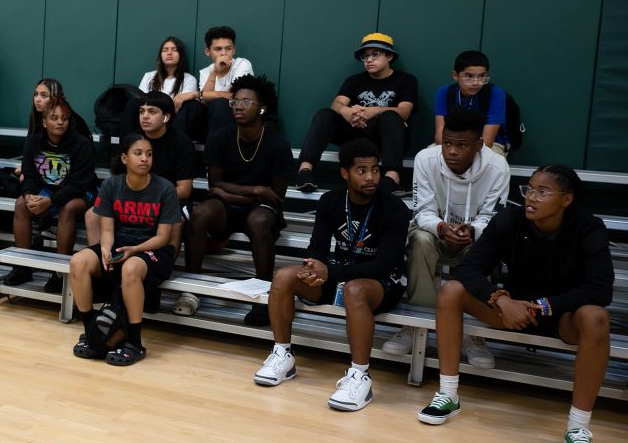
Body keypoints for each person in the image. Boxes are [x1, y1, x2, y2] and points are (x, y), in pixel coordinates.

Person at [417, 166, 612, 443]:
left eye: (543, 192)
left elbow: (600, 289)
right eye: (529, 189)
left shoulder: (589, 228)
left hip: (562, 315)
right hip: (513, 310)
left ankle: (578, 427)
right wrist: (500, 297)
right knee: (451, 291)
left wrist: (545, 305)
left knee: (596, 317)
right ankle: (448, 394)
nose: (531, 198)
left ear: (567, 199)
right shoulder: (510, 219)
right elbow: (469, 269)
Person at [254, 139, 411, 411]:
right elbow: (317, 247)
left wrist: (332, 272)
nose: (371, 176)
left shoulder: (395, 209)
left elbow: (384, 265)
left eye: (375, 169)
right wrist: (311, 269)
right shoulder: (331, 201)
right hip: (336, 276)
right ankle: (283, 354)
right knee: (283, 276)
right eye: (362, 170)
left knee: (355, 290)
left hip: (381, 284)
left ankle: (360, 375)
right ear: (344, 173)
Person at [382, 108, 509, 364]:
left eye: (461, 145)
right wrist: (441, 228)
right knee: (420, 241)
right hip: (435, 231)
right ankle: (416, 325)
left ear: (479, 144)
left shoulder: (498, 167)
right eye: (447, 143)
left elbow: (493, 218)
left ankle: (473, 334)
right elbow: (423, 211)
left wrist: (473, 230)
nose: (451, 151)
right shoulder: (425, 159)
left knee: (483, 250)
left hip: (474, 236)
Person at [183, 75, 293, 325]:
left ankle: (264, 296)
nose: (238, 106)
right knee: (200, 213)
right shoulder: (220, 137)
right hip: (230, 208)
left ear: (262, 108)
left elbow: (275, 197)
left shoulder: (277, 144)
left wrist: (229, 193)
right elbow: (215, 187)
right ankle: (190, 290)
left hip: (262, 212)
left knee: (258, 219)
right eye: (235, 101)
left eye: (246, 101)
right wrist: (254, 190)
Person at [70, 134, 181, 366]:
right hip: (121, 245)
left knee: (130, 267)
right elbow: (107, 230)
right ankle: (93, 333)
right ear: (124, 158)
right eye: (138, 154)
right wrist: (105, 248)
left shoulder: (165, 188)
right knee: (78, 262)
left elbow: (163, 238)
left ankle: (134, 342)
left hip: (154, 251)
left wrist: (135, 249)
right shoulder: (111, 185)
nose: (144, 159)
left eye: (149, 154)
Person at [296, 33, 417, 193]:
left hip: (386, 138)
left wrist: (372, 111)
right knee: (325, 114)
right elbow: (337, 103)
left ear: (389, 56)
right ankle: (305, 171)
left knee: (390, 116)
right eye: (365, 56)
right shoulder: (354, 80)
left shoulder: (405, 80)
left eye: (375, 54)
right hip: (356, 132)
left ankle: (392, 177)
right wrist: (347, 111)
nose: (369, 59)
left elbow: (404, 112)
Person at [2, 94, 97, 292]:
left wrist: (50, 201)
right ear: (44, 122)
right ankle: (22, 266)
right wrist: (29, 194)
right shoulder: (33, 142)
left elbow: (79, 184)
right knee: (21, 203)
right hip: (48, 190)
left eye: (65, 118)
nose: (60, 122)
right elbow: (29, 175)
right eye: (54, 118)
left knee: (69, 207)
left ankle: (59, 273)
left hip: (81, 191)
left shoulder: (81, 143)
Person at [87, 91, 195, 259]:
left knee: (176, 221)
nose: (145, 116)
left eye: (152, 112)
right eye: (141, 111)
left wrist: (152, 197)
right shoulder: (133, 139)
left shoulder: (182, 143)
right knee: (92, 214)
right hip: (132, 197)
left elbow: (184, 189)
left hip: (169, 199)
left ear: (166, 117)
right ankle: (100, 259)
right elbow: (121, 178)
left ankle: (164, 266)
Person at [433, 50, 512, 155]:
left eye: (482, 76)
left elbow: (487, 142)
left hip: (489, 144)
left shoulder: (495, 94)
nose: (476, 82)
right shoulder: (445, 92)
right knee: (428, 157)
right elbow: (440, 135)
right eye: (469, 76)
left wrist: (463, 156)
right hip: (451, 142)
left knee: (484, 161)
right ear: (455, 75)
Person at [128, 37, 199, 138]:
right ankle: (127, 145)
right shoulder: (149, 76)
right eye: (165, 50)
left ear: (181, 55)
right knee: (133, 103)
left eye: (174, 50)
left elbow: (178, 107)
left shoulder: (189, 79)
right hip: (148, 118)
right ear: (160, 55)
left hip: (172, 119)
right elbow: (141, 102)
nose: (169, 53)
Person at [195, 26, 254, 137]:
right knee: (193, 106)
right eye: (218, 49)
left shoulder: (242, 65)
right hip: (211, 121)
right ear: (208, 51)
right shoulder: (205, 72)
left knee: (221, 103)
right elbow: (204, 101)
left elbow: (234, 97)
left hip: (237, 116)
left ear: (234, 50)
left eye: (228, 48)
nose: (224, 54)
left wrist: (196, 94)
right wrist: (214, 72)